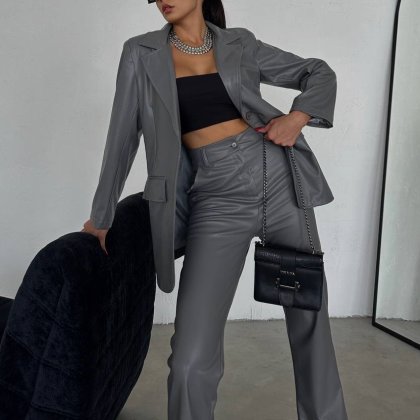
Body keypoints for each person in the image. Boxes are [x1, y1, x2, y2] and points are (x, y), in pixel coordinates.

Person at [82, 1, 348, 419]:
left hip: (277, 177)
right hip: (215, 195)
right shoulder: (141, 52)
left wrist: (296, 117)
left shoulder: (239, 43)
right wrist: (101, 216)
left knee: (308, 316)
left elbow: (317, 71)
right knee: (190, 356)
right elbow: (122, 136)